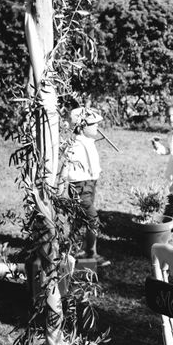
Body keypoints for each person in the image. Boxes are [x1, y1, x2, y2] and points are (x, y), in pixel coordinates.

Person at [62, 107, 110, 267]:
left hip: (90, 184)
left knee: (79, 219)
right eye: (93, 124)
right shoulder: (74, 144)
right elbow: (66, 167)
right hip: (79, 186)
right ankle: (91, 252)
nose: (97, 126)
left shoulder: (88, 141)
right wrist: (64, 185)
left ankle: (68, 250)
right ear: (82, 127)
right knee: (92, 219)